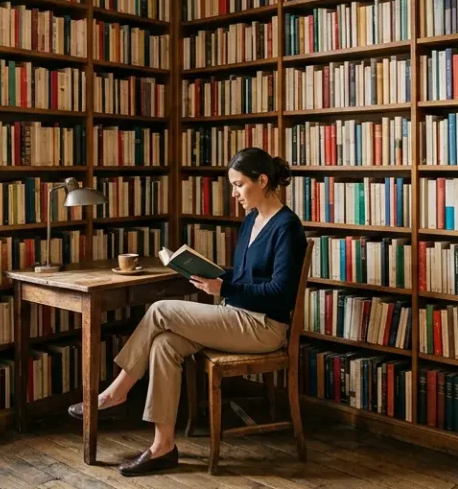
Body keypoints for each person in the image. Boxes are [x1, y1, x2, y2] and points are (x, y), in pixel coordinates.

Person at [67, 147, 307, 476]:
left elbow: (281, 294)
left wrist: (225, 289)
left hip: (263, 327)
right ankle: (163, 446)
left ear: (262, 181)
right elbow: (243, 278)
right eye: (232, 186)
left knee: (161, 310)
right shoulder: (252, 219)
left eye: (238, 185)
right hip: (235, 315)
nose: (234, 193)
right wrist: (214, 276)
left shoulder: (287, 228)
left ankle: (115, 392)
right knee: (165, 343)